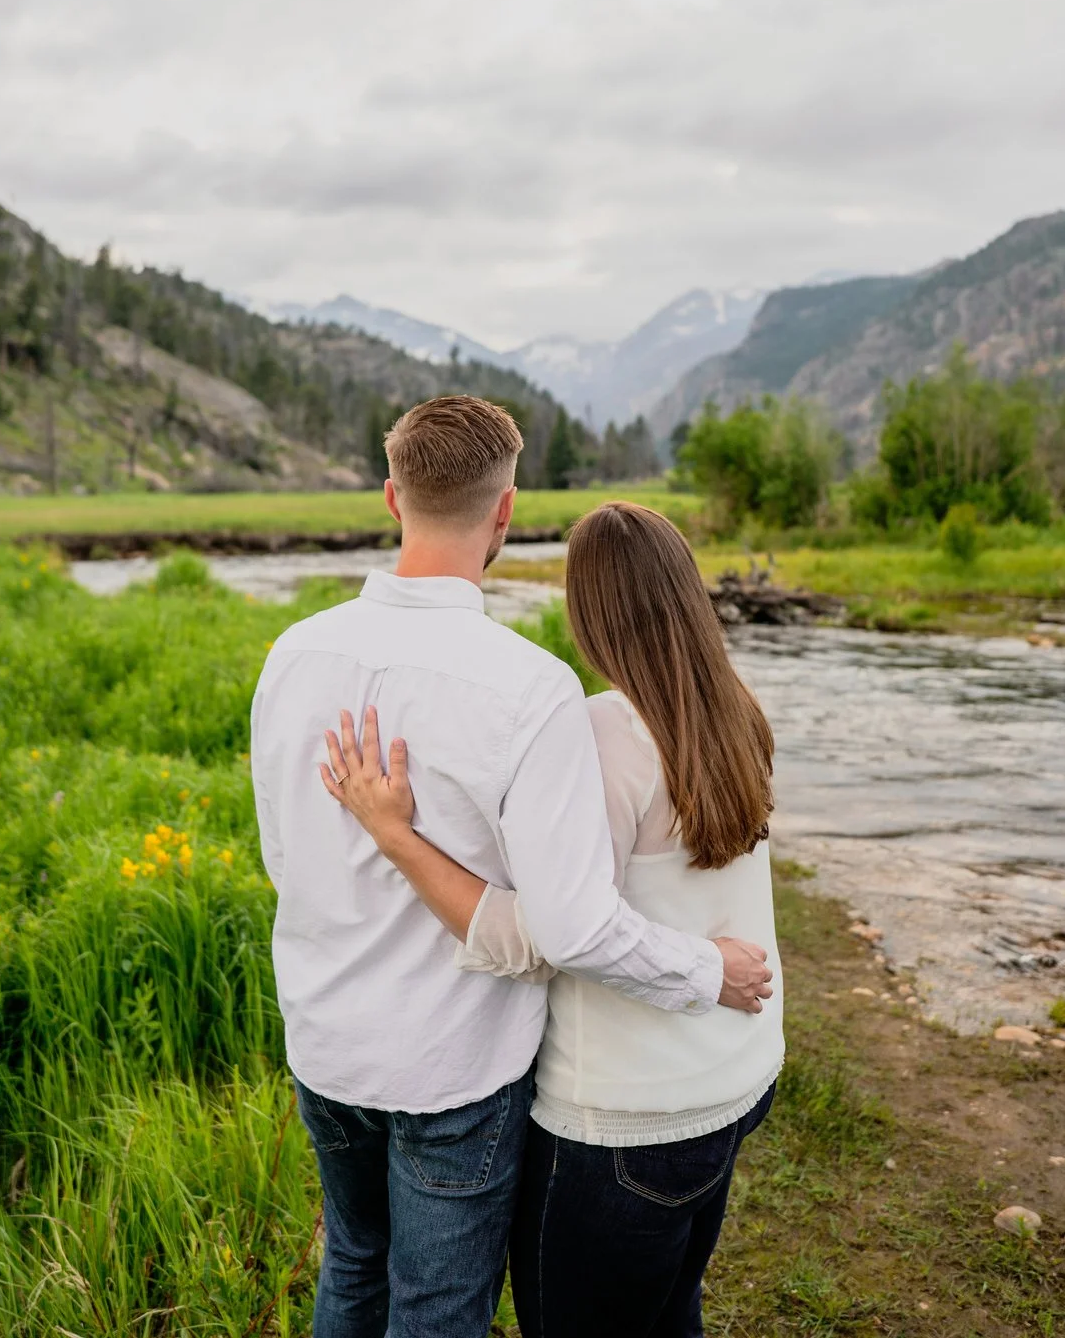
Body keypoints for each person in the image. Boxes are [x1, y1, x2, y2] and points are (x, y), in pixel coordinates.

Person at [249, 397, 774, 1338]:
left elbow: (281, 859)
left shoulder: (292, 654)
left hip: (326, 1039)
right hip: (455, 1061)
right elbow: (568, 925)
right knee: (439, 1303)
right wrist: (707, 969)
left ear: (390, 496)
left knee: (356, 1263)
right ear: (505, 511)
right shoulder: (531, 687)